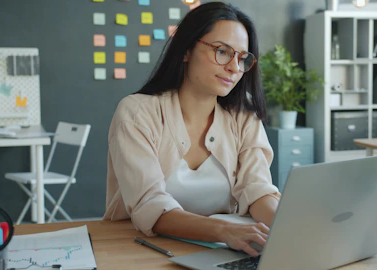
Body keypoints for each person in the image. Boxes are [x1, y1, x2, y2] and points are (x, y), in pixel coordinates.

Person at [103, 2, 280, 257]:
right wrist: (223, 230)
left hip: (222, 254)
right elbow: (150, 205)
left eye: (242, 58)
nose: (233, 67)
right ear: (186, 50)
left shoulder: (244, 117)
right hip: (143, 251)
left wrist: (289, 227)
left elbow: (257, 191)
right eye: (222, 51)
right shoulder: (137, 113)